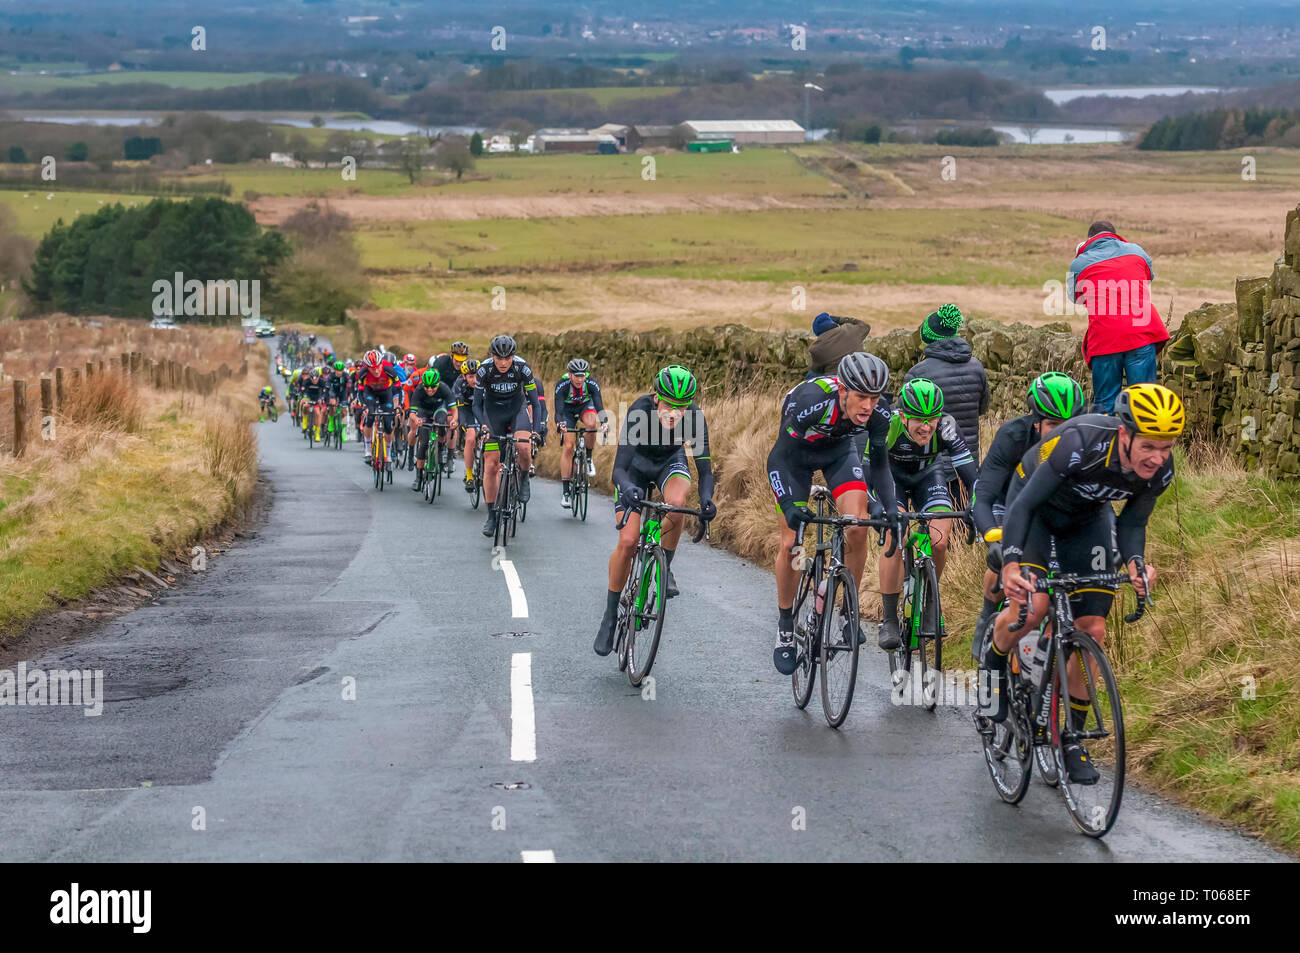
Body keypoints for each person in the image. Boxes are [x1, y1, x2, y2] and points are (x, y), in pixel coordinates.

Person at [978, 383, 1183, 783]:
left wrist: (1138, 563)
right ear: (1124, 434)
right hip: (1036, 512)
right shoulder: (1079, 442)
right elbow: (1024, 504)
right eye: (1149, 446)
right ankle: (994, 660)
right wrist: (1012, 563)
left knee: (1093, 627)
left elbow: (1133, 522)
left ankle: (1072, 738)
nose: (1158, 457)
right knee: (1033, 609)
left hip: (1087, 521)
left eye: (1167, 446)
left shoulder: (1160, 471)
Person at [768, 352, 896, 674]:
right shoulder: (811, 401)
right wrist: (789, 505)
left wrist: (891, 508)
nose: (868, 406)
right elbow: (778, 459)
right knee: (791, 544)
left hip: (838, 455)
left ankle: (846, 611)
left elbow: (879, 466)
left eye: (874, 397)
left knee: (857, 526)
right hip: (795, 459)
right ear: (843, 390)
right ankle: (785, 625)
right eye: (862, 397)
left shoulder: (880, 414)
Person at [593, 366, 716, 656]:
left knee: (678, 503)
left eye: (682, 407)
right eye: (669, 405)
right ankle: (610, 616)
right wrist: (628, 488)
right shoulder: (640, 411)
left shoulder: (694, 419)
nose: (675, 413)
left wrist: (708, 500)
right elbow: (618, 471)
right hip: (634, 469)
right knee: (627, 541)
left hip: (668, 463)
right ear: (657, 398)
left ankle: (666, 566)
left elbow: (706, 471)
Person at [969, 372, 1084, 656]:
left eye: (1070, 425)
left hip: (1052, 507)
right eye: (1054, 425)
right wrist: (991, 537)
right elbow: (982, 497)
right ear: (1036, 422)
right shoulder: (1012, 436)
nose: (1062, 433)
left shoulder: (1084, 441)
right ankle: (987, 616)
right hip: (1005, 501)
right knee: (1002, 558)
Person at [874, 378, 977, 650]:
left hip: (928, 477)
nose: (926, 426)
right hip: (892, 479)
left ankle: (931, 600)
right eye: (919, 419)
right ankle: (889, 619)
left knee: (940, 539)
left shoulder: (946, 427)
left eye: (932, 419)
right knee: (894, 537)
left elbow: (970, 473)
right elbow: (871, 471)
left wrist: (978, 504)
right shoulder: (889, 425)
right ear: (904, 416)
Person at [1068, 221, 1170, 414]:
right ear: (1115, 235)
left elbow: (1075, 297)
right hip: (1141, 333)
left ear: (1088, 240)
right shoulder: (1137, 252)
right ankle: (1144, 444)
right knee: (1144, 403)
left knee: (1105, 405)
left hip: (1105, 338)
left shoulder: (1080, 263)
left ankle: (1104, 443)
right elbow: (1147, 277)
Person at [904, 304, 989, 482]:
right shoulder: (976, 367)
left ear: (928, 337)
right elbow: (982, 408)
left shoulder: (917, 374)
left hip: (932, 466)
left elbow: (905, 421)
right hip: (968, 463)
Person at [472, 335, 542, 539]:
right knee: (491, 464)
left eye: (507, 358)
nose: (503, 363)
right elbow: (476, 404)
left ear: (513, 356)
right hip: (493, 414)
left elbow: (535, 403)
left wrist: (536, 431)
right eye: (498, 358)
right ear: (492, 356)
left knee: (523, 447)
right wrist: (483, 425)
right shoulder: (485, 370)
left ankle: (523, 476)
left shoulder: (522, 368)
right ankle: (492, 515)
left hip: (516, 410)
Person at [554, 358, 609, 508]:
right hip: (567, 412)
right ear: (570, 375)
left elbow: (599, 404)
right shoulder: (562, 385)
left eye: (582, 375)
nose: (579, 379)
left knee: (591, 424)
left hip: (585, 406)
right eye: (576, 375)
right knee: (568, 447)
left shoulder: (591, 383)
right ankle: (566, 492)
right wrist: (560, 424)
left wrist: (604, 422)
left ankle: (589, 459)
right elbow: (558, 411)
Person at [407, 369, 456, 490]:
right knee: (423, 443)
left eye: (433, 387)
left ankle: (439, 451)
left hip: (439, 409)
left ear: (438, 384)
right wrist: (417, 419)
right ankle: (418, 478)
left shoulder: (444, 388)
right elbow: (412, 413)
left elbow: (454, 410)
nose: (429, 390)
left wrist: (454, 420)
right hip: (424, 412)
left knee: (441, 424)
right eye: (426, 387)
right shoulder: (418, 390)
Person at [806, 312, 871, 380]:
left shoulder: (815, 348)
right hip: (860, 372)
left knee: (810, 375)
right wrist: (840, 319)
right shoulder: (850, 329)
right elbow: (866, 326)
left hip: (837, 379)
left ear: (817, 332)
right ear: (833, 323)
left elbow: (817, 370)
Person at [452, 359, 481, 490]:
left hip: (482, 409)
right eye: (470, 377)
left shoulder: (485, 382)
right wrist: (456, 420)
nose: (474, 380)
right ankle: (469, 475)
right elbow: (458, 408)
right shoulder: (459, 385)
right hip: (466, 410)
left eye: (477, 376)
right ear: (464, 376)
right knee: (470, 439)